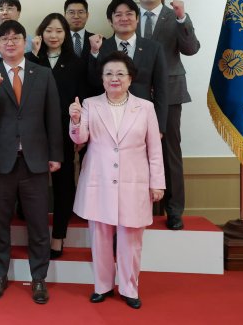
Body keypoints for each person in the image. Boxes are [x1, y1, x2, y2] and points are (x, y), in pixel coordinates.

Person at [0, 20, 62, 304]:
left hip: (35, 161)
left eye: (15, 38)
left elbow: (53, 117)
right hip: (0, 162)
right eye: (4, 39)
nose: (10, 43)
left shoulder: (43, 74)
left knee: (38, 224)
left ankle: (39, 279)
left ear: (25, 41)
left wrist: (55, 155)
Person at [70, 52, 165, 310]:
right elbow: (79, 140)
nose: (114, 78)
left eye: (120, 74)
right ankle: (101, 286)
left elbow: (154, 148)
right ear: (101, 79)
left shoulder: (145, 107)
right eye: (109, 74)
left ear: (130, 78)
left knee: (131, 240)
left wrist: (157, 183)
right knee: (99, 237)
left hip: (134, 182)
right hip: (99, 180)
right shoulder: (90, 104)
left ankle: (129, 287)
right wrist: (76, 119)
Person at [135, 0, 200, 230]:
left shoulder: (174, 17)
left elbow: (191, 49)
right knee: (135, 153)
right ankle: (139, 208)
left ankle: (174, 210)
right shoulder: (128, 17)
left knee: (170, 151)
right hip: (135, 95)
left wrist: (183, 18)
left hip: (170, 94)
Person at [26, 13, 88, 258]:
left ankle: (58, 236)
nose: (54, 36)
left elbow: (82, 101)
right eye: (49, 30)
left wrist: (79, 134)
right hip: (34, 132)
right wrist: (34, 55)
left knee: (63, 185)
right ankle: (37, 235)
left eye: (59, 31)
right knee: (33, 186)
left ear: (66, 35)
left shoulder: (77, 63)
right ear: (41, 33)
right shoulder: (31, 60)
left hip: (64, 131)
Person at [89, 0, 168, 134]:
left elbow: (161, 90)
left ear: (137, 18)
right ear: (110, 21)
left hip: (142, 116)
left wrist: (159, 127)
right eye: (118, 15)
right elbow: (93, 82)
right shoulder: (101, 47)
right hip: (107, 119)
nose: (124, 18)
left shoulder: (153, 48)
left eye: (129, 14)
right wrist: (94, 52)